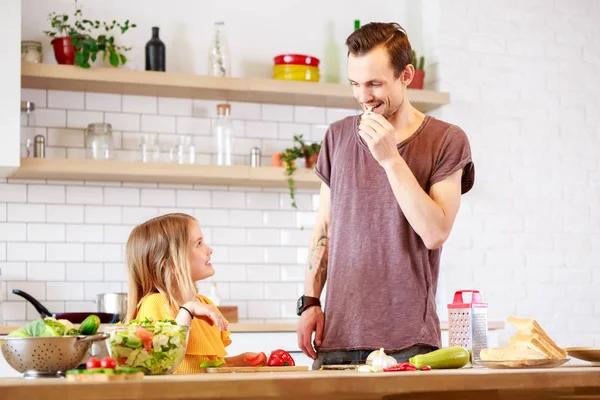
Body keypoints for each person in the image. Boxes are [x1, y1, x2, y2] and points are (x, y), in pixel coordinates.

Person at [296, 22, 475, 369]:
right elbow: (324, 229)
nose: (364, 96)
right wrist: (310, 302)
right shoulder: (337, 137)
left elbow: (435, 232)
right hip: (336, 337)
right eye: (355, 84)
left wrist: (390, 158)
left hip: (410, 341)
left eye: (375, 83)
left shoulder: (447, 140)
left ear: (406, 75)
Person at [125, 212, 258, 374]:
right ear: (171, 265)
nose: (209, 249)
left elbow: (204, 365)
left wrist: (238, 361)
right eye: (199, 244)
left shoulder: (205, 303)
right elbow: (165, 361)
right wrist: (188, 310)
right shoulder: (155, 303)